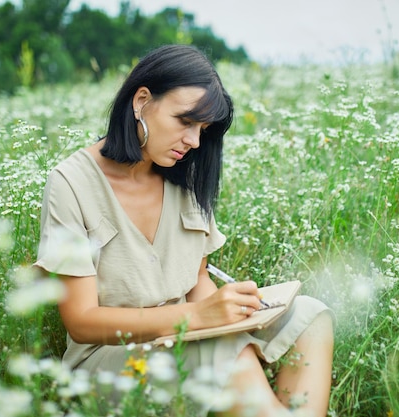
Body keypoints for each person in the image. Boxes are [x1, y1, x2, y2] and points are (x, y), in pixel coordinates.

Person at [34, 44, 334, 416]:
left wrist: (231, 313)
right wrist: (196, 319)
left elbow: (196, 282)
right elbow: (82, 322)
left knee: (309, 315)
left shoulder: (184, 177)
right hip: (111, 363)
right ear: (142, 101)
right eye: (185, 122)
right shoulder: (71, 183)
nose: (194, 142)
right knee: (226, 354)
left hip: (187, 337)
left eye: (202, 130)